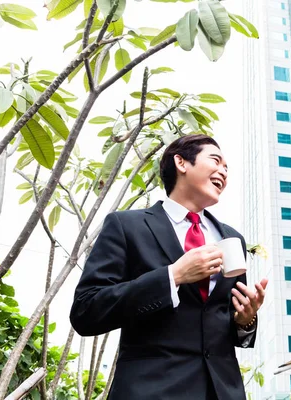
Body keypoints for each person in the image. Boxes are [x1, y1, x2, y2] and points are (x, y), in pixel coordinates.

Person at [70, 134, 268, 400]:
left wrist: (245, 319)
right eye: (216, 160)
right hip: (151, 390)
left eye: (227, 168)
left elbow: (224, 323)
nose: (223, 171)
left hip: (223, 391)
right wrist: (173, 276)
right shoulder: (126, 226)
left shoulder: (232, 240)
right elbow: (86, 310)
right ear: (181, 162)